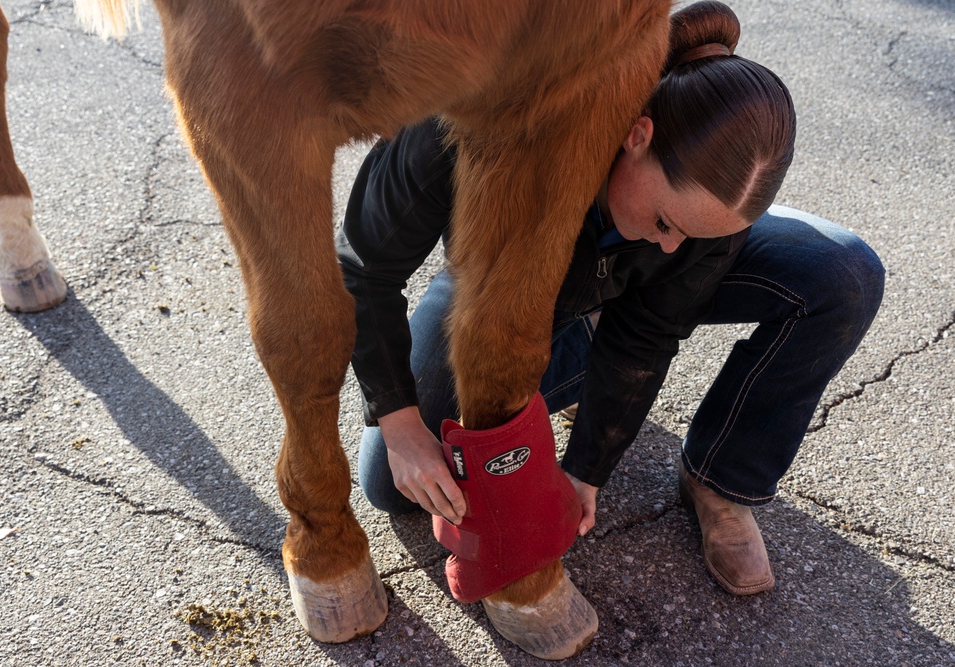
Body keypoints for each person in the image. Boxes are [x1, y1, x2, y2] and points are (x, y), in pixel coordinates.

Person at [336, 0, 884, 596]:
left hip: (620, 290)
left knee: (843, 275)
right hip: (502, 289)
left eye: (700, 235)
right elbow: (361, 267)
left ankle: (720, 480)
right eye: (665, 220)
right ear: (636, 135)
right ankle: (562, 364)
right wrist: (398, 422)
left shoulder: (696, 222)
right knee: (390, 485)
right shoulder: (468, 111)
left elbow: (648, 331)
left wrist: (587, 469)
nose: (673, 247)